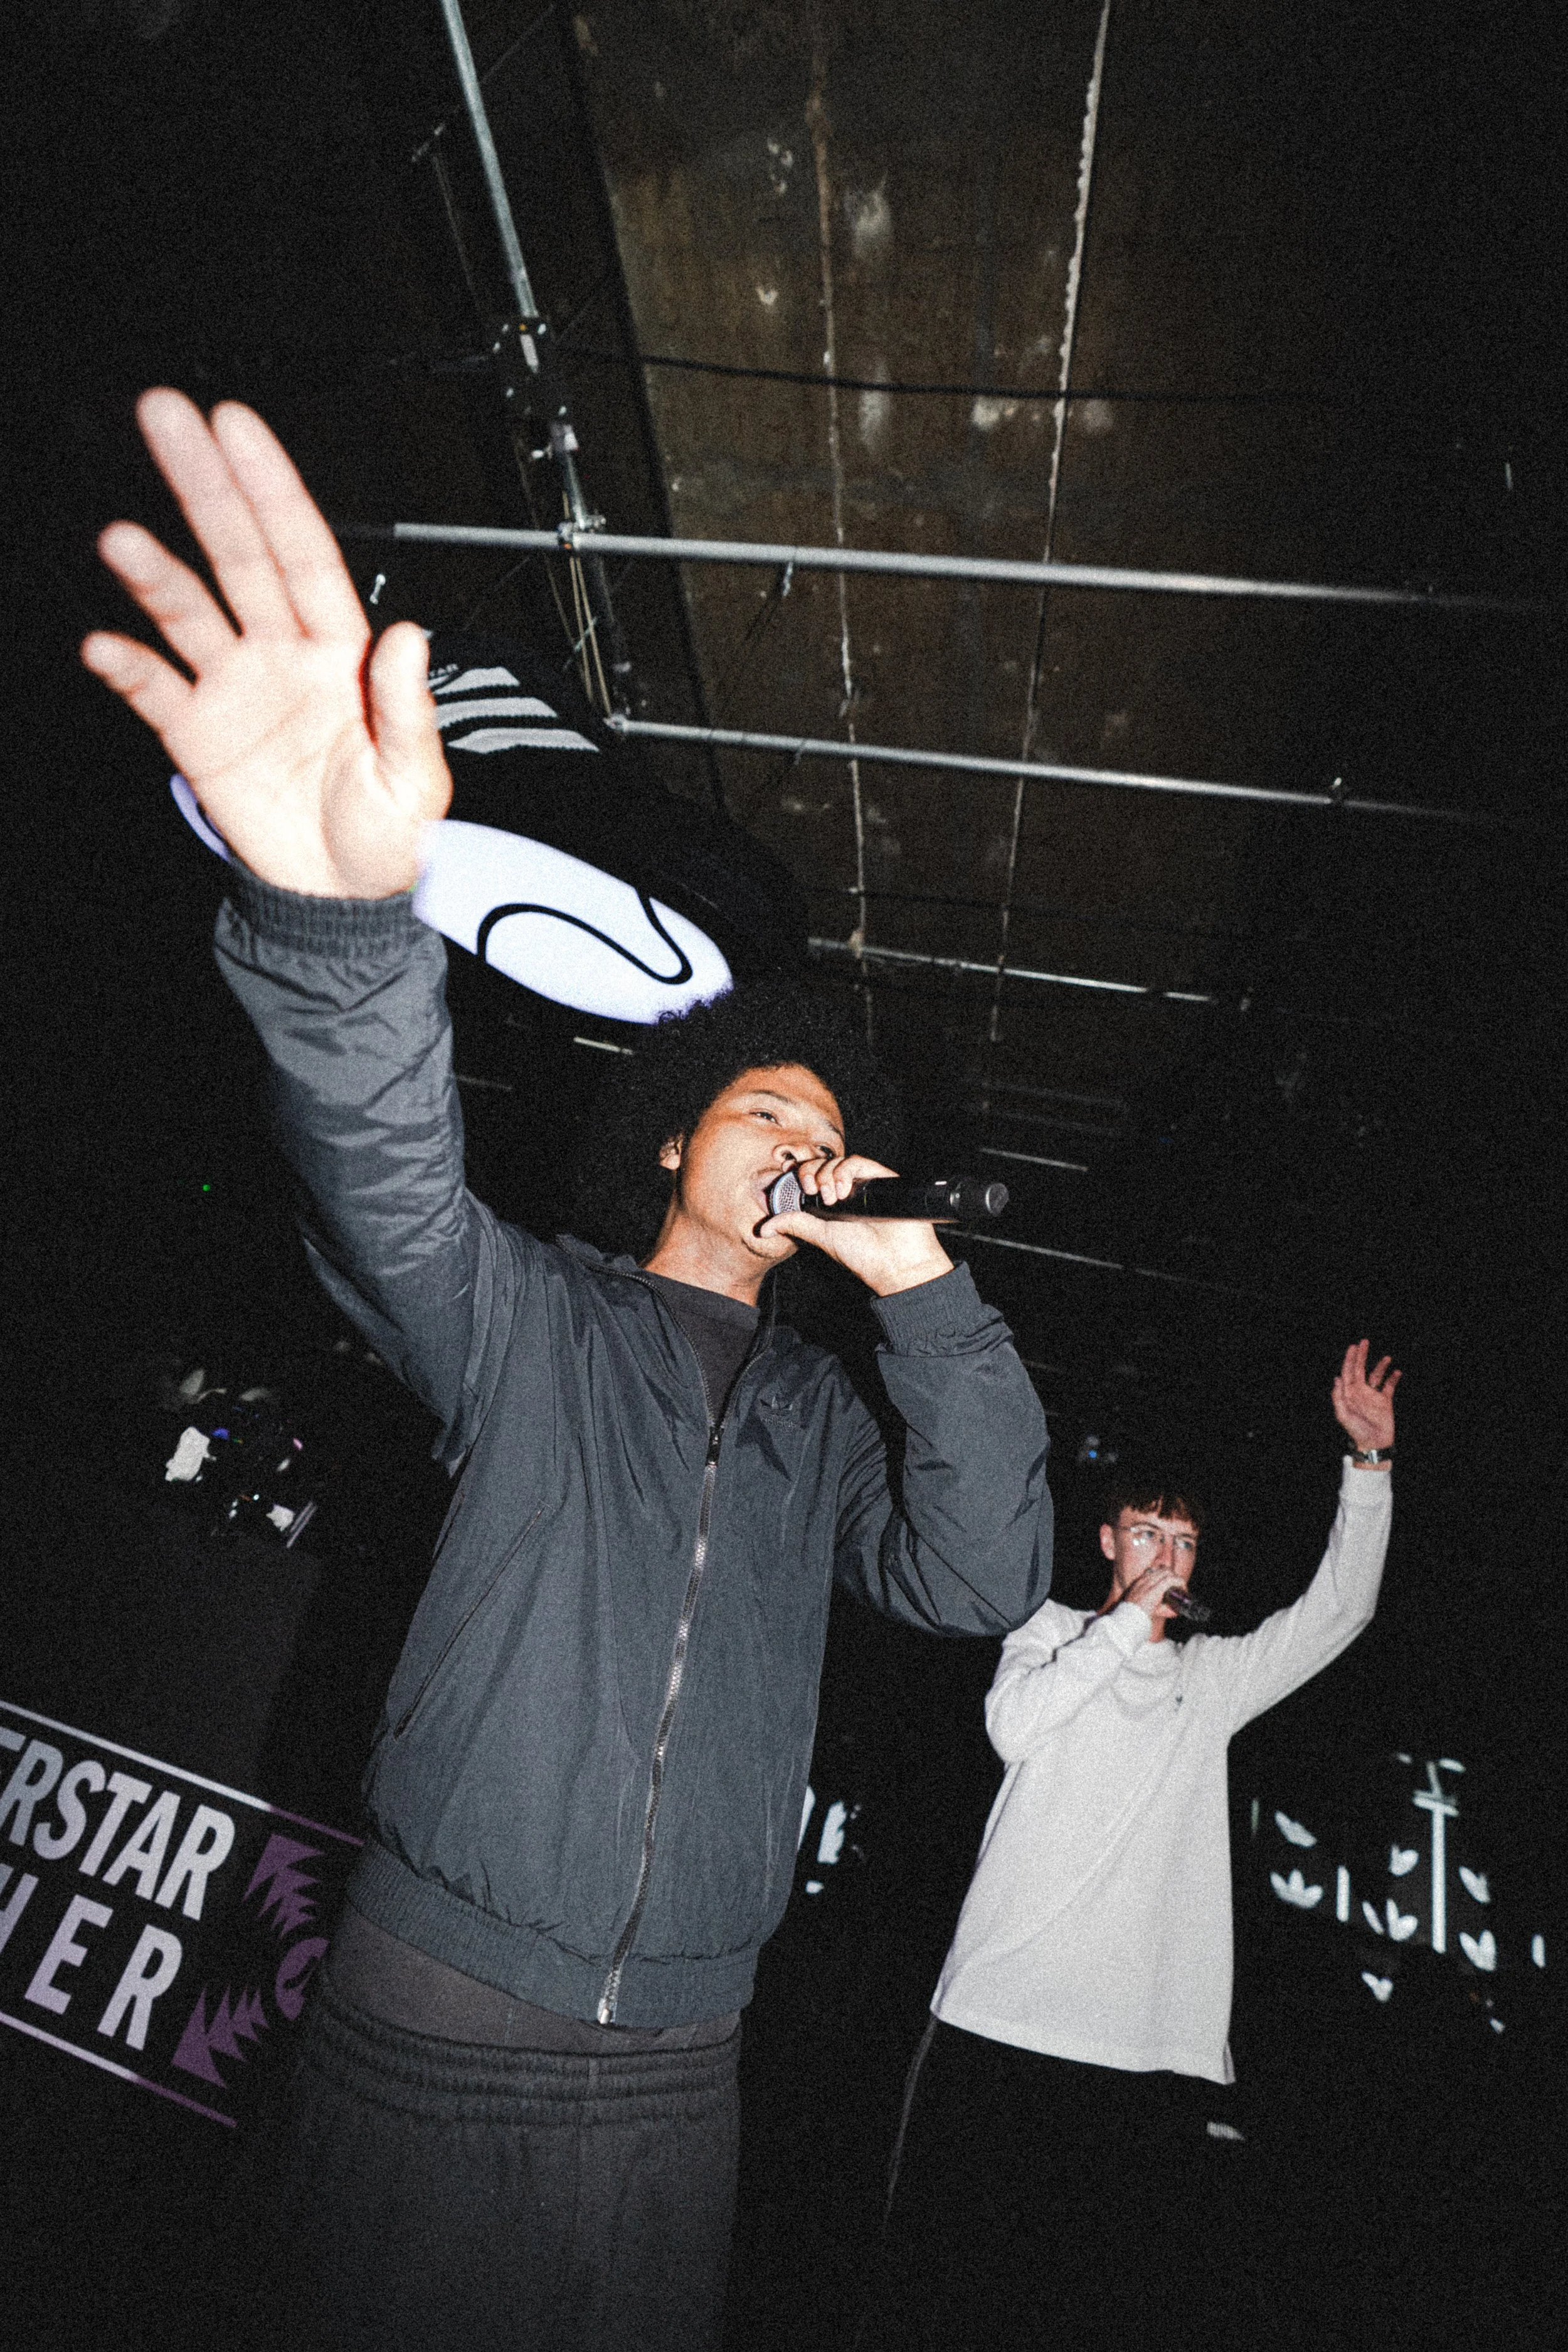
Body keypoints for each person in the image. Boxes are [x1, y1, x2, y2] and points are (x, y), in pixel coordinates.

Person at [80, 389, 1054, 2352]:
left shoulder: (825, 1430)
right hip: (426, 2039)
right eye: (762, 1099)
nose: (799, 1132)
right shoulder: (531, 1314)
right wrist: (337, 923)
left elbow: (983, 1571)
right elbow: (380, 1172)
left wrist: (927, 1291)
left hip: (691, 2076)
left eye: (827, 1122)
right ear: (677, 1136)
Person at [864, 1342, 1398, 2351]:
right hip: (996, 2025)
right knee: (939, 2302)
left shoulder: (1213, 1684)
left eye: (1184, 1541)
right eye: (1147, 1534)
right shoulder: (1046, 1633)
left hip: (1141, 2057)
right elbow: (1016, 1729)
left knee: (1096, 2309)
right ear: (1110, 1541)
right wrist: (1121, 1632)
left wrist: (1368, 1468)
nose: (1167, 1557)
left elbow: (1342, 1610)